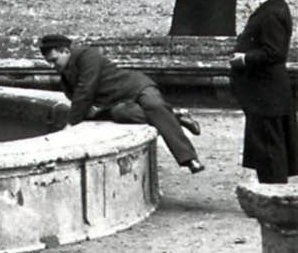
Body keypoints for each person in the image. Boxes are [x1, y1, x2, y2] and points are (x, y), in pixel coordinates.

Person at [39, 33, 204, 174]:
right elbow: (78, 99)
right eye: (50, 63)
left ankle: (189, 159)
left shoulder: (88, 56)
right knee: (121, 114)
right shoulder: (66, 78)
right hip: (120, 103)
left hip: (138, 88)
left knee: (154, 107)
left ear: (65, 51)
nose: (53, 66)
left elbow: (85, 90)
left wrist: (71, 123)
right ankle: (177, 116)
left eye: (54, 60)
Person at [229, 0, 298, 184]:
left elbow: (275, 52)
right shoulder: (271, 8)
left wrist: (244, 59)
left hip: (267, 94)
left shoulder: (272, 12)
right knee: (267, 148)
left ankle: (274, 198)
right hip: (265, 94)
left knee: (270, 149)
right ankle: (271, 193)